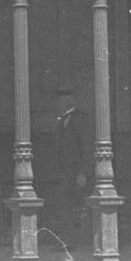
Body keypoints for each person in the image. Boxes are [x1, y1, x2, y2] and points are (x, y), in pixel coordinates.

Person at [49, 84, 94, 241]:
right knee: (65, 207)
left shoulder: (81, 119)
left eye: (59, 101)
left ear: (67, 101)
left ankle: (84, 240)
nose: (56, 104)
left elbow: (87, 147)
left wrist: (83, 172)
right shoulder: (62, 121)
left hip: (77, 173)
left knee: (82, 206)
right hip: (66, 173)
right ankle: (67, 241)